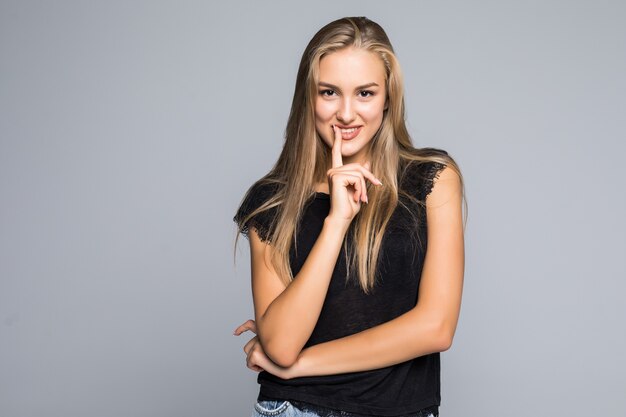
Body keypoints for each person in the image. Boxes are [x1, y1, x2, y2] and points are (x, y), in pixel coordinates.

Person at [233, 16, 465, 417]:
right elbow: (283, 344)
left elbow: (435, 328)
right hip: (295, 408)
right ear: (309, 98)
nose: (345, 113)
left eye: (364, 93)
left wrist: (300, 366)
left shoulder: (432, 180)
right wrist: (337, 221)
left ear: (388, 97)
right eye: (329, 92)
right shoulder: (271, 201)